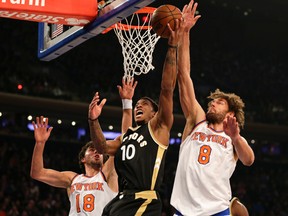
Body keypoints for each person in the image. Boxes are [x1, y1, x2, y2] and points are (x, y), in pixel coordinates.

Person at [87, 19, 184, 215]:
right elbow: (102, 147)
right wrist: (93, 120)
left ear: (155, 113)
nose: (139, 105)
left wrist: (172, 47)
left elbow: (166, 89)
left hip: (144, 200)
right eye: (137, 104)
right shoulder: (127, 135)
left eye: (145, 104)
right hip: (122, 199)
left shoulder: (159, 128)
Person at [170, 0, 255, 215]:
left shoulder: (234, 138)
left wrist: (235, 138)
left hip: (216, 210)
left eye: (219, 102)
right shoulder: (197, 120)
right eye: (211, 101)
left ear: (231, 112)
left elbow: (249, 160)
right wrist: (185, 33)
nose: (212, 103)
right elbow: (184, 75)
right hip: (183, 209)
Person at [30, 79, 137, 216]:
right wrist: (40, 144)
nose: (96, 151)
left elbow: (125, 141)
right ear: (83, 159)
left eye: (98, 150)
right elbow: (37, 173)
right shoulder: (72, 179)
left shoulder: (108, 174)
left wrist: (127, 102)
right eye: (92, 149)